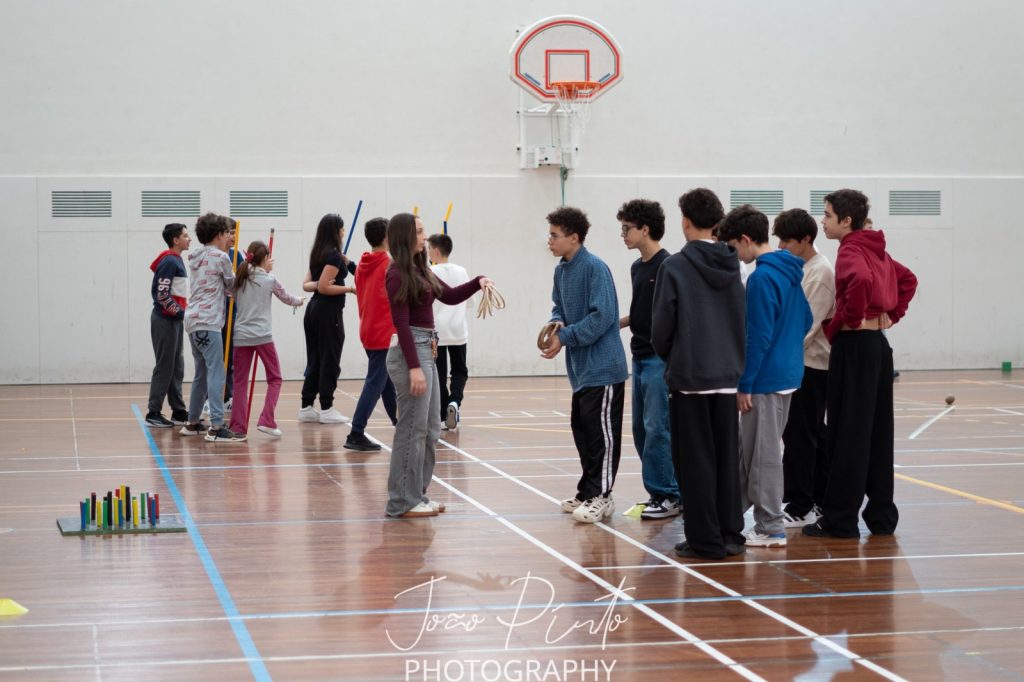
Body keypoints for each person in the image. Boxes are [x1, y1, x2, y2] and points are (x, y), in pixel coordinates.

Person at [804, 189, 917, 539]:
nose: (823, 221)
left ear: (846, 220)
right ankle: (881, 517)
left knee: (847, 434)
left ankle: (840, 520)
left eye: (827, 215)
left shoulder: (851, 249)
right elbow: (908, 280)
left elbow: (863, 282)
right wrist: (890, 316)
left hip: (854, 348)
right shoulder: (875, 248)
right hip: (878, 348)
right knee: (878, 433)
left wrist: (844, 321)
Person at [651, 188, 746, 560]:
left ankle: (705, 539)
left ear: (686, 221)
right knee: (726, 459)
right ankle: (730, 534)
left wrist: (675, 357)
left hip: (691, 377)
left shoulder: (674, 266)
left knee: (695, 462)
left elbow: (662, 328)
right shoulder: (733, 263)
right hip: (727, 376)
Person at [384, 213, 491, 518]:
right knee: (412, 429)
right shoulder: (397, 274)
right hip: (412, 352)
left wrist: (478, 282)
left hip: (427, 348)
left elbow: (451, 295)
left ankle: (416, 494)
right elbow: (402, 324)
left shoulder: (422, 270)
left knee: (431, 429)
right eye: (419, 231)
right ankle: (401, 502)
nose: (425, 236)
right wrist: (414, 367)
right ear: (405, 236)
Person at [717, 205, 812, 548]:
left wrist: (745, 384)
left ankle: (771, 527)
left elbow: (757, 337)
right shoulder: (789, 270)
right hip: (787, 375)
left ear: (745, 239)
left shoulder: (761, 278)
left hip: (765, 380)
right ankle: (731, 514)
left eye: (732, 247)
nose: (734, 255)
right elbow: (806, 319)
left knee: (763, 457)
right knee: (754, 452)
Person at [542, 207, 628, 524]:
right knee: (584, 432)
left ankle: (602, 496)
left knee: (601, 437)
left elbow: (602, 317)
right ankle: (588, 491)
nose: (549, 241)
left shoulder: (595, 268)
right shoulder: (561, 271)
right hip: (580, 371)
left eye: (555, 235)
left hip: (604, 369)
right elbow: (558, 308)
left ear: (574, 237)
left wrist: (565, 337)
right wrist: (555, 326)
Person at [616, 199, 680, 519]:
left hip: (658, 358)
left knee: (658, 427)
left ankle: (669, 494)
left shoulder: (668, 265)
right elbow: (642, 310)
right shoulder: (637, 267)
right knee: (642, 429)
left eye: (627, 229)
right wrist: (617, 323)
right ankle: (660, 490)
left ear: (645, 229)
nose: (623, 235)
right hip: (638, 356)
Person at [772, 208, 835, 527]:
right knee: (808, 434)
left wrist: (777, 355)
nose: (781, 246)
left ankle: (802, 506)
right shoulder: (800, 267)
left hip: (811, 366)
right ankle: (816, 500)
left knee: (802, 435)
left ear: (806, 239)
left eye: (787, 241)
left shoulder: (820, 272)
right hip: (796, 362)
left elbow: (807, 327)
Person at [227, 240, 304, 438]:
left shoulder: (239, 278)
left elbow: (231, 293)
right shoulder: (269, 279)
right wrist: (299, 301)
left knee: (239, 382)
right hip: (262, 336)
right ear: (266, 258)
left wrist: (261, 270)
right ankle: (267, 420)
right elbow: (287, 298)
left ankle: (237, 427)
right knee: (275, 378)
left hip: (241, 336)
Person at [181, 213, 244, 442]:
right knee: (217, 371)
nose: (230, 237)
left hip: (193, 321)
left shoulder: (196, 256)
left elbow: (219, 285)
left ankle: (192, 422)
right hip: (209, 322)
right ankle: (217, 426)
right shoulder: (221, 257)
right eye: (227, 233)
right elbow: (233, 286)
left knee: (202, 373)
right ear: (219, 235)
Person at [345, 218, 399, 452]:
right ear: (387, 237)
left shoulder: (364, 264)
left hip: (368, 330)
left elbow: (358, 273)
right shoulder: (390, 265)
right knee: (376, 382)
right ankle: (356, 432)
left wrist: (348, 263)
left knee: (386, 383)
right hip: (383, 333)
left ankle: (399, 423)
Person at [299, 214, 357, 425]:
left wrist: (322, 282)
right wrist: (349, 289)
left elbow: (308, 285)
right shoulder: (332, 256)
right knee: (329, 359)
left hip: (314, 310)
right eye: (341, 228)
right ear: (336, 231)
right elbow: (324, 287)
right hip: (327, 312)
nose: (343, 232)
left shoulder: (319, 253)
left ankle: (306, 406)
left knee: (316, 358)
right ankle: (326, 407)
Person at [145, 223, 191, 428]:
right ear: (175, 240)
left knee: (176, 366)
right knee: (165, 366)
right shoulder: (170, 261)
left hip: (174, 320)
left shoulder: (176, 260)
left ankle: (178, 411)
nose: (189, 239)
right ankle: (153, 412)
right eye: (185, 236)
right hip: (165, 320)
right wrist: (182, 313)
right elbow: (162, 295)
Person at [427, 233, 472, 431]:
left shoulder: (429, 271)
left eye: (429, 248)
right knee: (460, 370)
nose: (427, 252)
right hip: (458, 330)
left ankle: (444, 412)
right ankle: (455, 402)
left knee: (439, 374)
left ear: (436, 251)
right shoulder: (461, 271)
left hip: (437, 331)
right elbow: (469, 302)